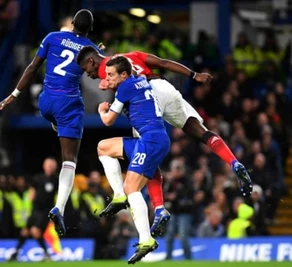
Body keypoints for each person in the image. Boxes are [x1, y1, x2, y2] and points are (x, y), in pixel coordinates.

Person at [76, 46, 253, 234]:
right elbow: (163, 63)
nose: (90, 76)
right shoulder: (131, 55)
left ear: (92, 61)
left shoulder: (107, 69)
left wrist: (105, 92)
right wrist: (194, 75)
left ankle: (159, 208)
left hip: (145, 99)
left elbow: (113, 84)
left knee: (146, 153)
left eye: (87, 71)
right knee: (201, 131)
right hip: (165, 87)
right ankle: (234, 162)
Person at [0, 9, 101, 237]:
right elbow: (100, 72)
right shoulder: (90, 49)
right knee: (69, 160)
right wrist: (98, 55)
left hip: (46, 102)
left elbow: (32, 68)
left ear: (72, 23)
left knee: (56, 121)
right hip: (68, 102)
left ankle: (56, 124)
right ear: (90, 29)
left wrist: (13, 95)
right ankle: (59, 207)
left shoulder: (52, 37)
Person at [98, 56, 170, 263]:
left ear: (123, 75)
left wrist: (102, 111)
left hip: (151, 141)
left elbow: (109, 121)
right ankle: (119, 195)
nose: (108, 78)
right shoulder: (137, 79)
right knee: (103, 147)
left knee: (133, 189)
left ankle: (146, 240)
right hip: (150, 138)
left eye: (111, 75)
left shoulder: (126, 87)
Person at [8, 157, 59, 261]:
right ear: (44, 166)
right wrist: (31, 199)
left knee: (35, 230)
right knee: (25, 231)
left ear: (55, 167)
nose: (49, 168)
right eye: (47, 165)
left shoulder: (56, 180)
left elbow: (59, 195)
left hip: (46, 211)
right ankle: (15, 254)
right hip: (35, 209)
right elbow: (32, 190)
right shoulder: (38, 178)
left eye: (51, 166)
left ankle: (46, 254)